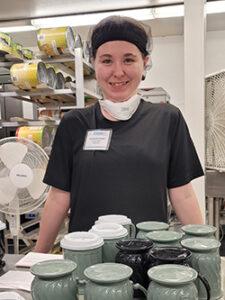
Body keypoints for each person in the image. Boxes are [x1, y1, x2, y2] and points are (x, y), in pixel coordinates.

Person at [35, 15, 204, 253]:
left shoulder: (167, 119)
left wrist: (202, 249)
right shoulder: (74, 123)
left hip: (149, 256)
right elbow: (59, 196)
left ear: (145, 63)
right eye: (106, 60)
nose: (118, 72)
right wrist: (37, 255)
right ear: (94, 63)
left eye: (128, 59)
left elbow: (183, 194)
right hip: (86, 256)